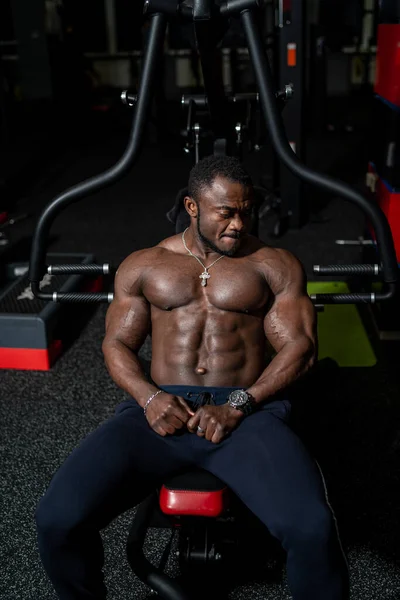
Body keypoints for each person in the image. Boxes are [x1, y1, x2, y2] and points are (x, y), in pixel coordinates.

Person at [35, 155, 349, 600]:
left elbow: (300, 348)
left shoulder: (274, 264)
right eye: (226, 211)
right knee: (56, 518)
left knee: (311, 528)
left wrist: (241, 404)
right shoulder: (145, 264)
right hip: (161, 408)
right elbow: (116, 345)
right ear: (192, 206)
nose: (238, 224)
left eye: (245, 211)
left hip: (247, 410)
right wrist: (148, 399)